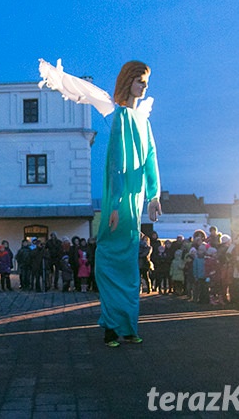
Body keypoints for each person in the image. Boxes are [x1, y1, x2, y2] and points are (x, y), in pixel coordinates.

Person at [96, 61, 161, 348]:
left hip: (134, 200)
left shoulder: (144, 122)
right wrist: (114, 204)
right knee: (110, 260)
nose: (144, 86)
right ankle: (111, 327)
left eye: (146, 81)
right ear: (127, 82)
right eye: (139, 80)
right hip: (120, 200)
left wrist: (154, 195)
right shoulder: (121, 117)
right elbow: (115, 162)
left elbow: (151, 159)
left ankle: (128, 326)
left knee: (129, 268)